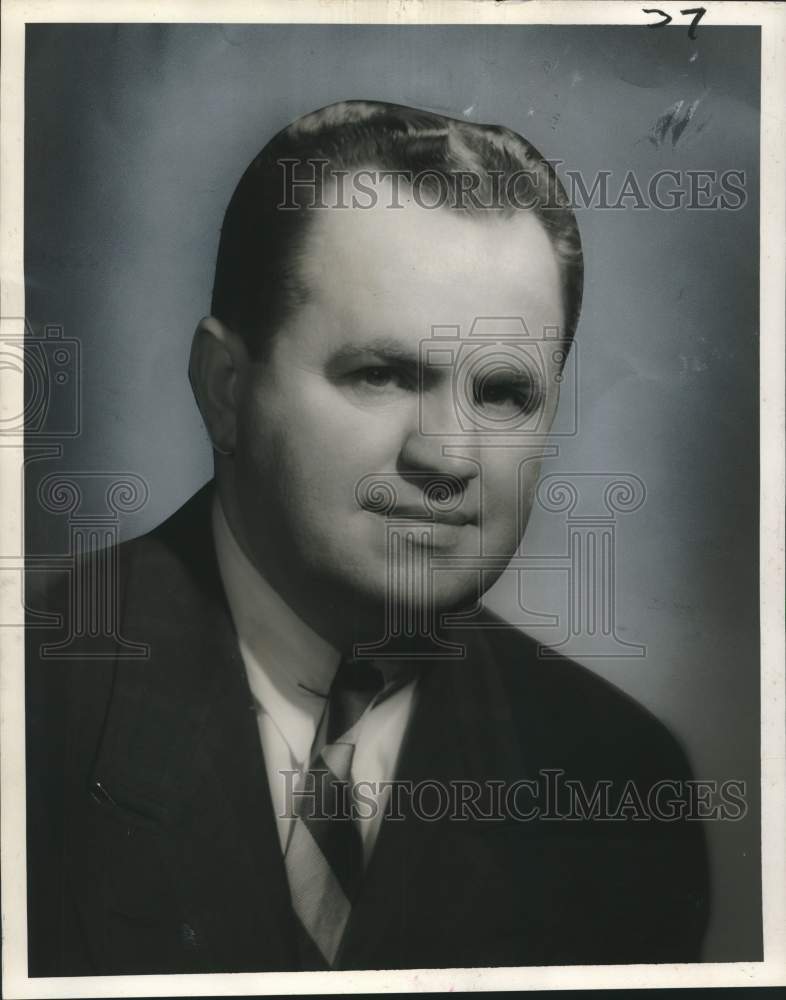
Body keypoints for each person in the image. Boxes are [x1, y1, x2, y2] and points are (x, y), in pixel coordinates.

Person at [26, 101, 709, 976]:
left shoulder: (622, 781)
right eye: (384, 374)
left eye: (503, 394)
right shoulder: (34, 704)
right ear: (225, 389)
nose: (449, 456)